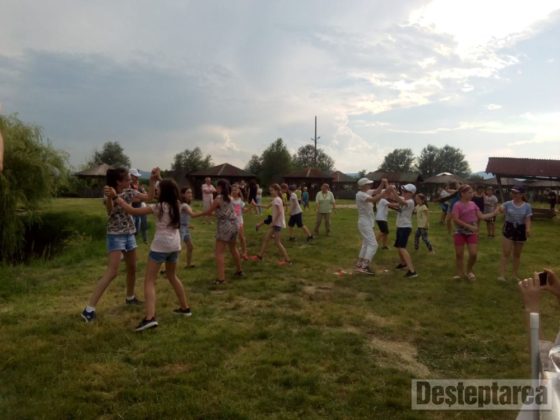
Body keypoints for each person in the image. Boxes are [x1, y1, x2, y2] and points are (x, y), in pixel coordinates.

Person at [116, 173, 193, 331]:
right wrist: (158, 178)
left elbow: (132, 211)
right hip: (175, 245)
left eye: (159, 189)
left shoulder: (158, 207)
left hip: (160, 246)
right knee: (172, 276)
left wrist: (117, 198)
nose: (157, 191)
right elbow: (171, 187)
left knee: (149, 281)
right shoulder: (177, 204)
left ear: (164, 192)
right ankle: (185, 308)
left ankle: (150, 318)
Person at [81, 168, 152, 322]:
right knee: (112, 272)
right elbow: (109, 211)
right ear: (119, 182)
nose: (131, 181)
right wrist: (111, 197)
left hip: (129, 234)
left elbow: (150, 197)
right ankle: (88, 310)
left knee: (132, 268)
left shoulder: (129, 192)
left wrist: (153, 180)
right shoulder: (108, 193)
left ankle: (130, 297)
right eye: (127, 179)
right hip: (115, 235)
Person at [199, 179, 243, 284]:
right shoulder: (230, 198)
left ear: (220, 187)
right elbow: (224, 212)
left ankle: (221, 279)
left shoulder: (218, 198)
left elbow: (209, 211)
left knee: (219, 252)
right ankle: (239, 270)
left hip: (224, 227)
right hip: (234, 225)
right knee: (233, 248)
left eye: (217, 187)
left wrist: (195, 214)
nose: (216, 188)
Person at [451, 184, 498, 281]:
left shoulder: (473, 204)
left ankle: (469, 271)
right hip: (460, 232)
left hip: (472, 233)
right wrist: (469, 226)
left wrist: (494, 213)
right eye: (469, 192)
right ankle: (460, 273)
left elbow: (481, 216)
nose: (472, 194)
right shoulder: (457, 205)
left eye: (472, 192)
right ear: (462, 193)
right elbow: (455, 219)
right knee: (459, 254)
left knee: (473, 254)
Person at [497, 186, 532, 282]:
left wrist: (528, 229)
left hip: (521, 229)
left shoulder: (527, 206)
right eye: (513, 192)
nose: (514, 194)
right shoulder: (507, 204)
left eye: (516, 193)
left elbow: (528, 219)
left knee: (517, 254)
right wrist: (500, 208)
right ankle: (502, 275)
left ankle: (514, 275)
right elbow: (501, 209)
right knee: (506, 252)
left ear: (522, 194)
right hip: (509, 228)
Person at [251, 183, 291, 265]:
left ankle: (287, 260)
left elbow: (279, 212)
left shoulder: (277, 200)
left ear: (277, 191)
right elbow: (267, 206)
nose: (270, 192)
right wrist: (256, 205)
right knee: (266, 239)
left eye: (272, 190)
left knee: (277, 242)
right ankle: (260, 256)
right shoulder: (276, 199)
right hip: (276, 223)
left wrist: (273, 222)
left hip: (277, 224)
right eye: (270, 190)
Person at [355, 177, 387, 275]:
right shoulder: (360, 194)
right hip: (364, 223)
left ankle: (359, 264)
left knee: (366, 244)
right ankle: (364, 266)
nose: (370, 185)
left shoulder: (366, 192)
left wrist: (382, 183)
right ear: (363, 186)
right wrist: (385, 193)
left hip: (367, 222)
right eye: (368, 184)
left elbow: (377, 191)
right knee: (373, 244)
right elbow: (374, 199)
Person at [387, 184, 418, 278]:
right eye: (403, 191)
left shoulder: (410, 201)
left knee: (402, 248)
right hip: (400, 226)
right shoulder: (405, 200)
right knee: (398, 247)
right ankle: (403, 263)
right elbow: (396, 201)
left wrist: (393, 190)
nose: (403, 192)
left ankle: (412, 271)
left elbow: (399, 201)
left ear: (412, 193)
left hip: (405, 227)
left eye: (406, 191)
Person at [231, 183, 250, 260]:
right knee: (234, 238)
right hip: (231, 221)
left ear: (238, 191)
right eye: (233, 190)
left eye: (235, 190)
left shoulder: (240, 201)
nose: (234, 191)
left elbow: (244, 210)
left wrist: (251, 207)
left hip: (239, 221)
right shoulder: (230, 200)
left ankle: (244, 252)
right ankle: (236, 251)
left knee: (241, 237)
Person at [129, 168, 148, 244]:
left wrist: (141, 197)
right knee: (134, 225)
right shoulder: (129, 186)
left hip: (139, 207)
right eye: (135, 176)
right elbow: (131, 199)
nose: (137, 178)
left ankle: (143, 239)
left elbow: (145, 195)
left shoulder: (138, 186)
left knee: (140, 224)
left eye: (137, 176)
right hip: (132, 208)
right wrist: (141, 198)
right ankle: (132, 241)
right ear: (131, 176)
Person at [180, 187, 196, 269]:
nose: (190, 194)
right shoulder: (184, 205)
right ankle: (167, 268)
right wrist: (206, 212)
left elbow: (183, 217)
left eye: (191, 192)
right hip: (180, 229)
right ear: (183, 194)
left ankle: (188, 265)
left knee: (190, 247)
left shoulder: (187, 204)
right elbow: (192, 215)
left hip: (185, 228)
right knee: (176, 249)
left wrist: (188, 225)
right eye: (188, 192)